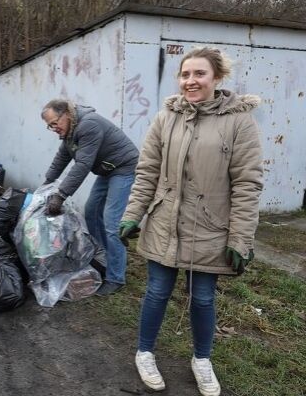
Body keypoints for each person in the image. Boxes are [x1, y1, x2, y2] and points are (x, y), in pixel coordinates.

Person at [119, 47, 263, 396]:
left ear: (217, 78)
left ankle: (202, 359)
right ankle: (145, 352)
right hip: (165, 222)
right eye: (185, 74)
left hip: (212, 228)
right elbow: (147, 172)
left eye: (199, 74)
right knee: (156, 292)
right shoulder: (165, 118)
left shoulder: (239, 121)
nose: (191, 81)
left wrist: (240, 239)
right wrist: (133, 214)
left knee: (202, 299)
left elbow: (247, 183)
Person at [41, 99, 139, 296]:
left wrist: (60, 195)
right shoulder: (69, 134)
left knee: (112, 223)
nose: (53, 129)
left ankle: (116, 277)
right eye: (48, 126)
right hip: (107, 170)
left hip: (124, 167)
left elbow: (83, 165)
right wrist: (44, 186)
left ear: (66, 114)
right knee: (92, 212)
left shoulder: (88, 125)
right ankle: (105, 259)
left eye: (54, 123)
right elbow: (60, 160)